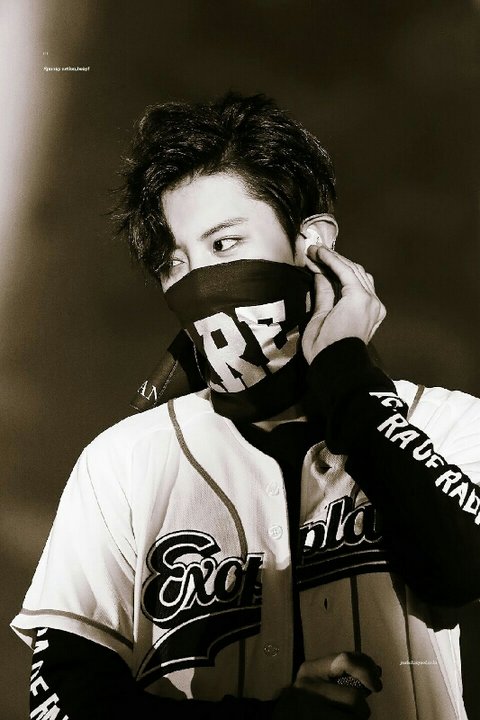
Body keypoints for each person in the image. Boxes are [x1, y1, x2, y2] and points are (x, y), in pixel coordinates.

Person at [12, 93, 480, 720]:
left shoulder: (446, 422)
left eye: (225, 243)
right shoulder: (123, 463)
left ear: (312, 243)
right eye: (176, 262)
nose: (199, 278)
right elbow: (61, 702)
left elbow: (459, 568)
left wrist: (347, 372)